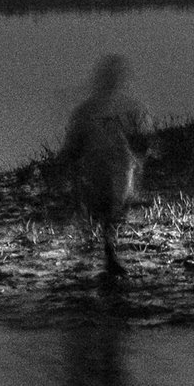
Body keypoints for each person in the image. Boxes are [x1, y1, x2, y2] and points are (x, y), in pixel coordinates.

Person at [55, 54, 151, 284]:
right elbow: (144, 142)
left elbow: (72, 148)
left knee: (108, 211)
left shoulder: (89, 110)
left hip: (109, 169)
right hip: (107, 169)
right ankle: (104, 252)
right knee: (111, 211)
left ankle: (104, 251)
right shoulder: (123, 108)